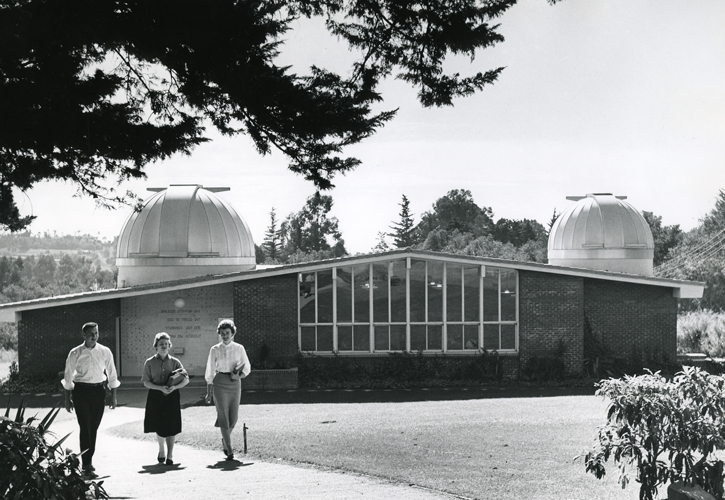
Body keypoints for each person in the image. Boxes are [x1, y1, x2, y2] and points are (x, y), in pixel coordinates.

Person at [62, 322, 120, 479]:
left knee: (93, 427)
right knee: (85, 426)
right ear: (84, 335)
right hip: (81, 391)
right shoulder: (75, 353)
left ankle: (88, 461)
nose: (94, 336)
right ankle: (87, 465)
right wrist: (67, 399)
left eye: (96, 333)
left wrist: (113, 396)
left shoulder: (104, 351)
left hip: (98, 391)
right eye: (90, 333)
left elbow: (112, 374)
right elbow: (68, 377)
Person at [204, 319, 250, 460]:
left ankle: (225, 439)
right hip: (220, 383)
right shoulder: (215, 349)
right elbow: (210, 371)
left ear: (233, 333)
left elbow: (247, 367)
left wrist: (239, 376)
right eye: (222, 333)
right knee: (223, 415)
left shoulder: (239, 348)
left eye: (227, 333)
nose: (225, 336)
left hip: (234, 383)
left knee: (233, 417)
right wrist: (208, 392)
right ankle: (229, 449)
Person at [141, 332, 189, 465]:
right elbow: (146, 382)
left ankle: (170, 454)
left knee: (172, 425)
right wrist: (160, 388)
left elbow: (186, 379)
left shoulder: (175, 362)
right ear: (156, 346)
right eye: (161, 344)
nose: (163, 346)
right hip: (156, 396)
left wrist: (175, 387)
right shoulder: (149, 362)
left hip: (172, 396)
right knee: (159, 424)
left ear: (170, 346)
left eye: (166, 344)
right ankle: (161, 449)